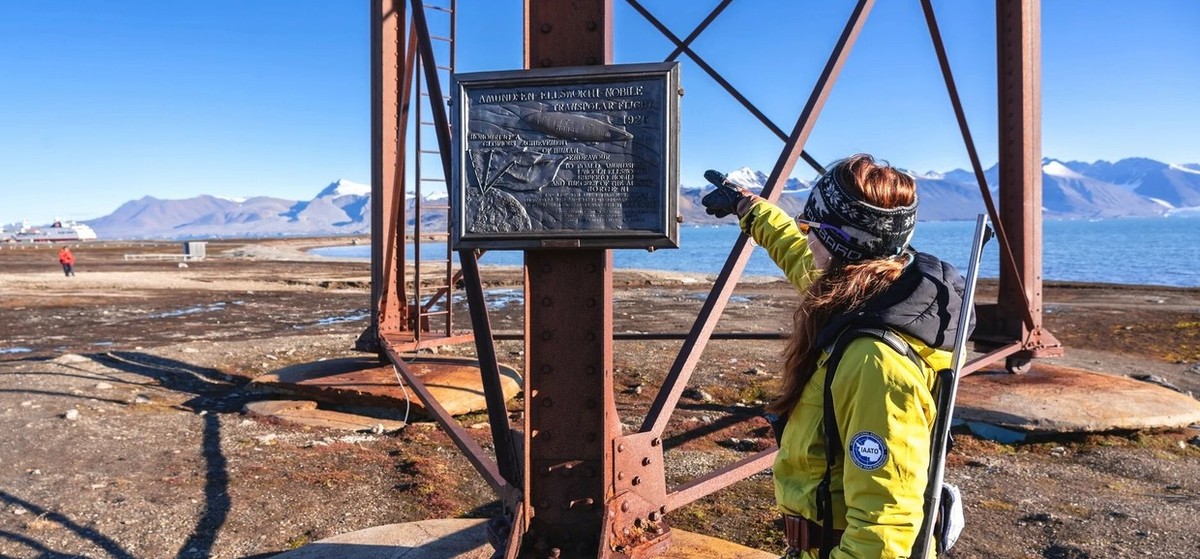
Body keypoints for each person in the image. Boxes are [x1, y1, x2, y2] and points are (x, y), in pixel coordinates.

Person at [701, 154, 968, 558]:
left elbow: (886, 525)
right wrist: (748, 208)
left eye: (811, 227)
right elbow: (795, 251)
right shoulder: (869, 290)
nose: (804, 234)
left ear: (844, 243)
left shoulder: (874, 360)